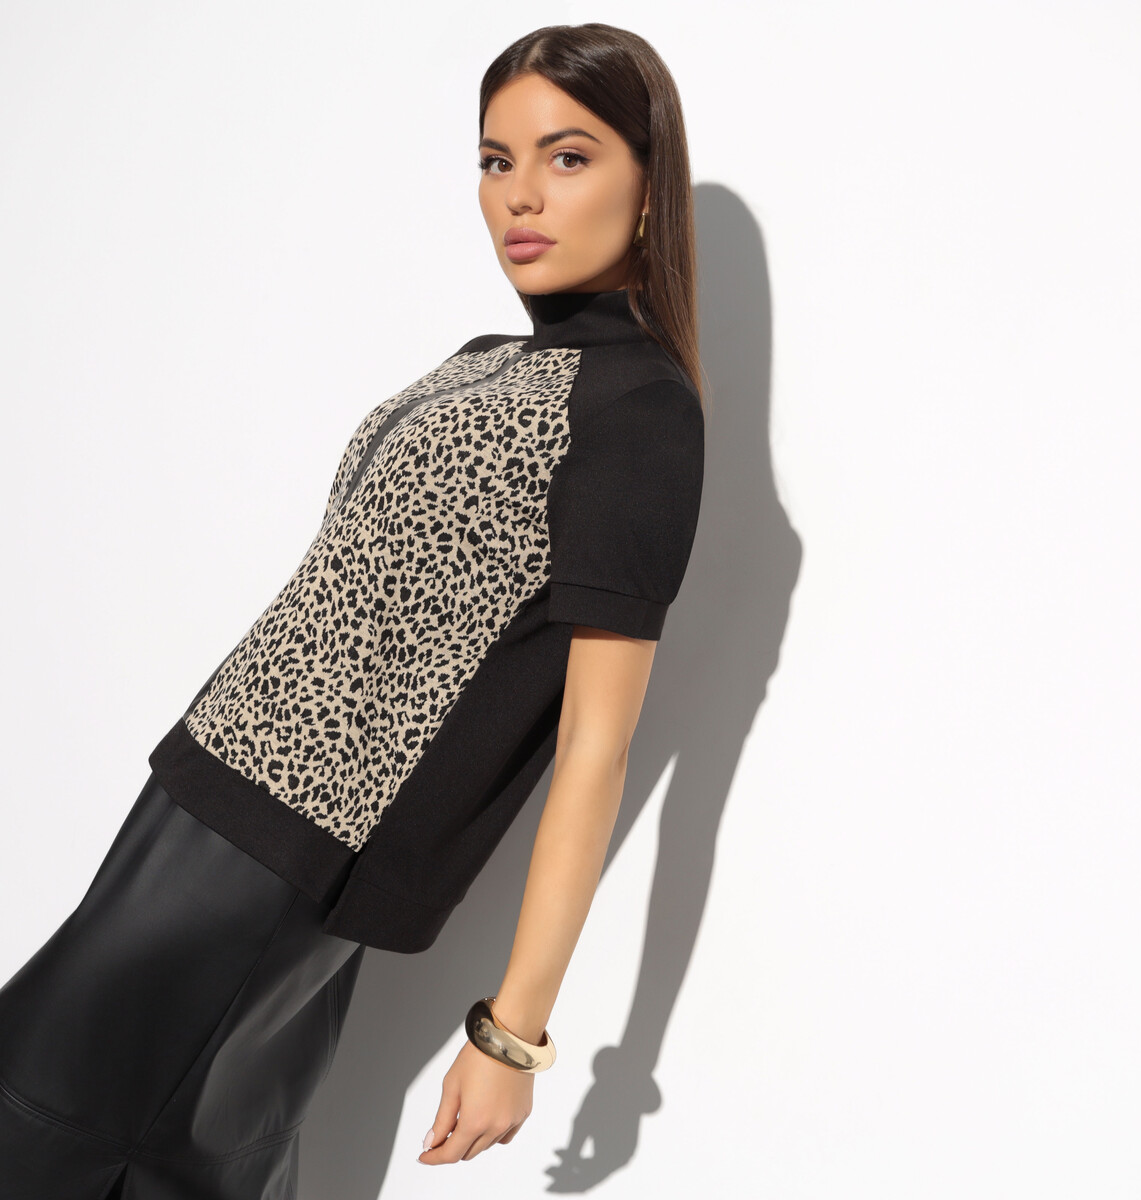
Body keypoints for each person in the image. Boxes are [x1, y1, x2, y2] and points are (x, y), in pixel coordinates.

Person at [0, 21, 706, 1197]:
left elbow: (597, 741)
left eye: (569, 157)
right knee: (164, 1151)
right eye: (496, 160)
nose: (521, 195)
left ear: (648, 185)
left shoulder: (639, 412)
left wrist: (512, 1035)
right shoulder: (487, 357)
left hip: (295, 845)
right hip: (201, 789)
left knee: (66, 1127)